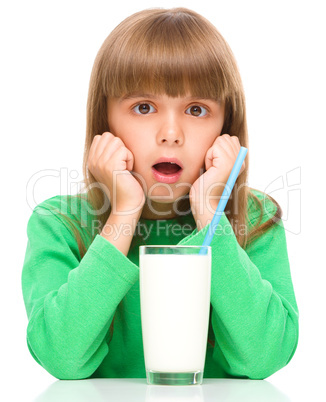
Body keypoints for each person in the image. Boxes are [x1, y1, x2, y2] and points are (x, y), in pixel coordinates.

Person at [22, 7, 299, 380]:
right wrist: (121, 215)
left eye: (197, 109)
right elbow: (61, 357)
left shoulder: (255, 219)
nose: (171, 133)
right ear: (105, 123)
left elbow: (266, 356)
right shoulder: (61, 224)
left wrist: (210, 216)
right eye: (144, 107)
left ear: (225, 130)